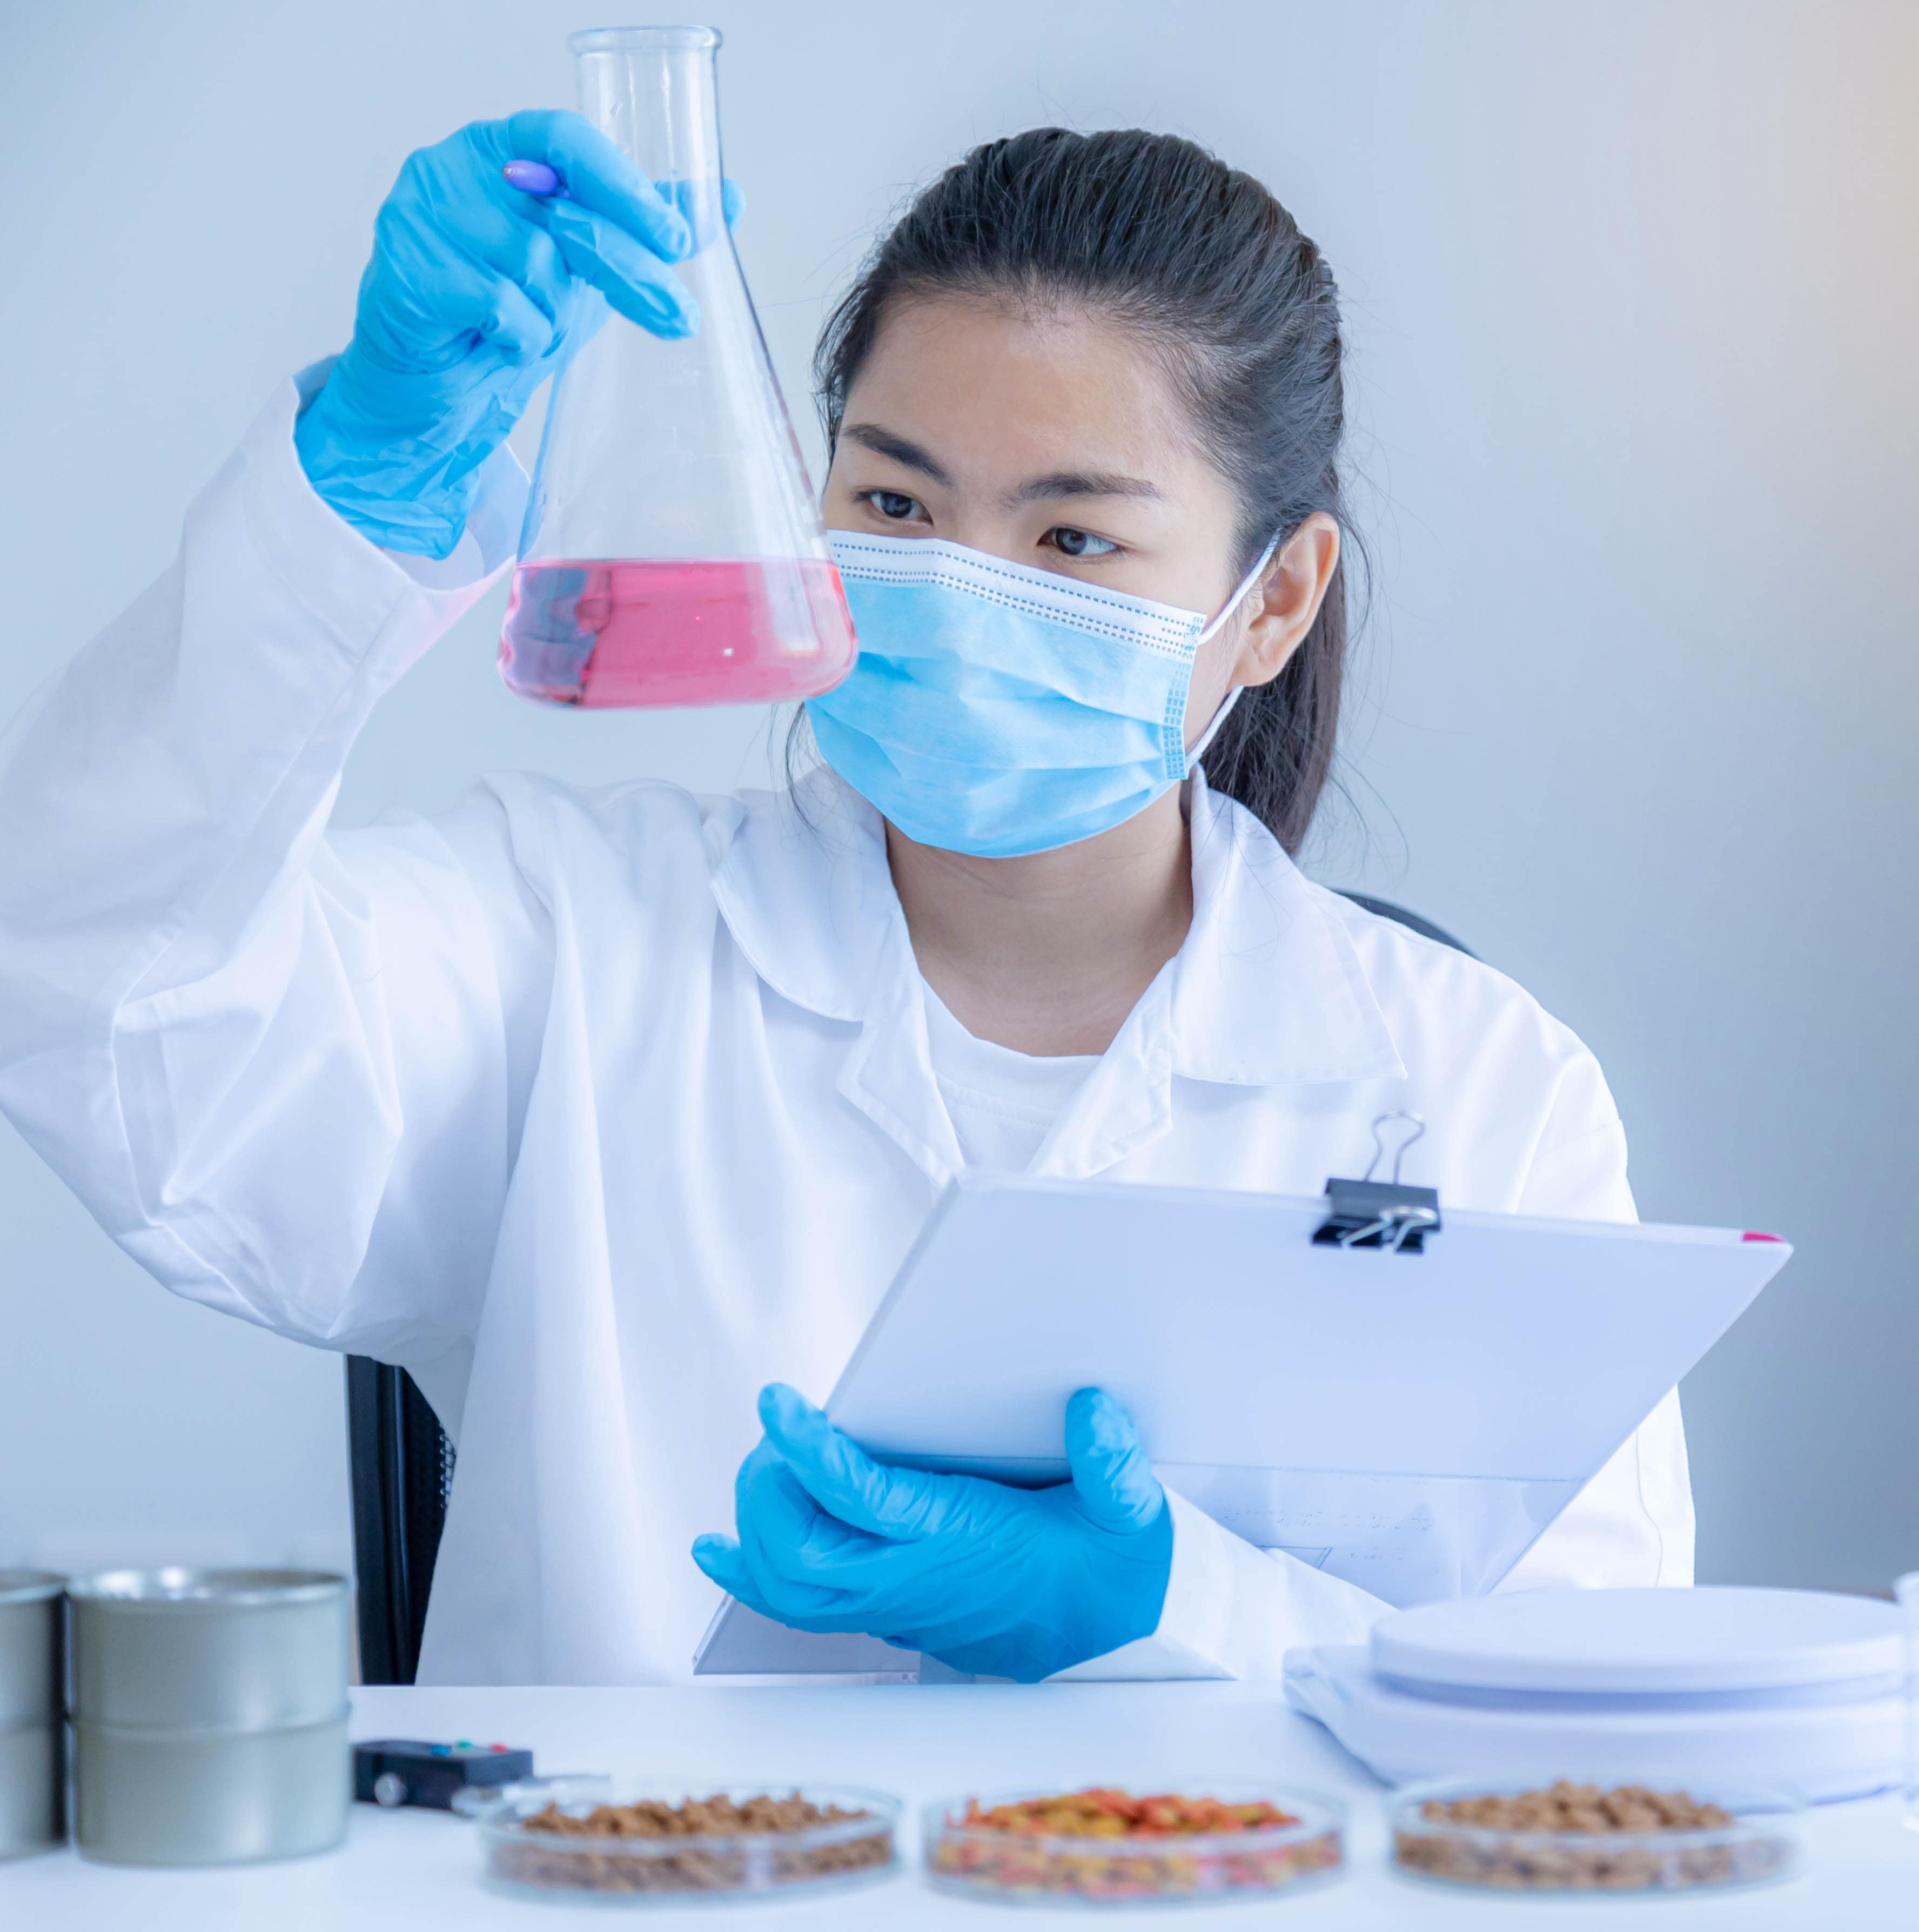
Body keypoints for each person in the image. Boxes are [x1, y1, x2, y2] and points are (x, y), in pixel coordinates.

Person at [0, 112, 1689, 1686]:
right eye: (892, 502)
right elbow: (106, 1002)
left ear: (1272, 601)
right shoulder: (567, 942)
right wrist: (352, 497)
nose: (954, 594)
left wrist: (1178, 1608)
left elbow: (1588, 1705)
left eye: (1074, 543)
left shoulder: (1473, 1096)